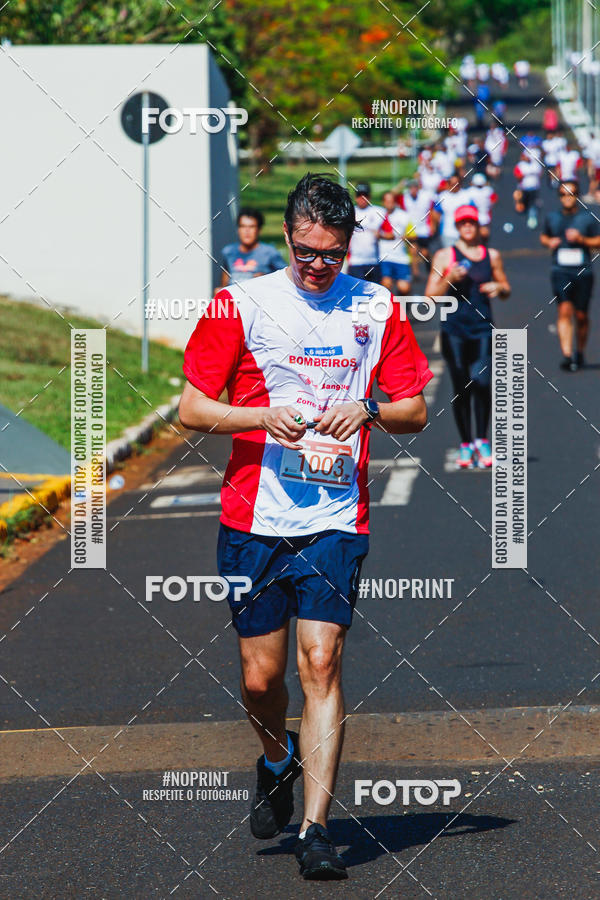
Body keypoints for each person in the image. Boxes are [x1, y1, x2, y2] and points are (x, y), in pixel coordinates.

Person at [179, 173, 433, 880]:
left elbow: (413, 406)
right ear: (287, 237)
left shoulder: (376, 306)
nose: (319, 265)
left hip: (334, 518)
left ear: (350, 242)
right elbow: (193, 409)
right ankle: (275, 757)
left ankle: (316, 831)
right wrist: (261, 417)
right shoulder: (241, 304)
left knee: (320, 663)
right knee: (262, 680)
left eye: (333, 252)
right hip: (251, 517)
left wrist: (371, 410)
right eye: (307, 251)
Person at [425, 205, 510, 468]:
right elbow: (429, 297)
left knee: (482, 382)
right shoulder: (444, 256)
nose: (468, 227)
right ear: (457, 227)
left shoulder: (491, 255)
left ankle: (481, 440)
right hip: (455, 330)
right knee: (461, 386)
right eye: (462, 223)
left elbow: (506, 288)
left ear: (478, 225)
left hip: (483, 328)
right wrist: (448, 277)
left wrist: (498, 287)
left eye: (471, 222)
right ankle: (465, 443)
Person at [540, 179, 600, 371]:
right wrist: (549, 242)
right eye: (563, 195)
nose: (567, 198)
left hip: (583, 270)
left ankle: (579, 351)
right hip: (560, 270)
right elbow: (544, 235)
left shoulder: (588, 218)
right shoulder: (552, 217)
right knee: (564, 310)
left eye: (571, 194)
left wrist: (582, 239)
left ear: (577, 196)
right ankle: (567, 354)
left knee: (581, 315)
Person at [221, 208, 287, 286]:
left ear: (259, 229)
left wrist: (266, 279)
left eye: (251, 227)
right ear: (238, 229)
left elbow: (286, 279)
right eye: (243, 226)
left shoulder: (270, 253)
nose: (247, 231)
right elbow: (225, 281)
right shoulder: (228, 251)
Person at [377, 190, 415, 295]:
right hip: (384, 257)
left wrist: (405, 237)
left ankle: (403, 306)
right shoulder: (378, 215)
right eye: (387, 201)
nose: (389, 204)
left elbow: (413, 236)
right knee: (386, 284)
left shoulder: (404, 216)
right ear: (383, 202)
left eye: (392, 201)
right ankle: (389, 308)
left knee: (404, 288)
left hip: (401, 258)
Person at [347, 182, 383, 283]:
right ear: (355, 197)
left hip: (374, 261)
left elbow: (392, 200)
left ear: (369, 197)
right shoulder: (350, 212)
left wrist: (381, 235)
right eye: (359, 196)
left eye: (365, 196)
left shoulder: (379, 212)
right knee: (357, 295)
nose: (362, 199)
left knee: (375, 295)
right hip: (355, 261)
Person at [400, 179, 436, 277]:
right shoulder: (405, 197)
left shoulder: (425, 197)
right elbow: (392, 195)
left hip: (423, 228)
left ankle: (430, 268)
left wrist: (432, 224)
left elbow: (431, 210)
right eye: (410, 188)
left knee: (425, 252)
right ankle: (415, 273)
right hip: (411, 228)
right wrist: (400, 185)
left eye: (414, 188)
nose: (413, 190)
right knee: (413, 251)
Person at [433, 173, 476, 248]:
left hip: (464, 233)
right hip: (447, 232)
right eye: (452, 184)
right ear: (448, 184)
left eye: (457, 184)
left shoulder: (467, 196)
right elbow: (435, 212)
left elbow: (474, 212)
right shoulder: (442, 196)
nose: (454, 186)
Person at [513, 149, 543, 229]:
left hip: (534, 188)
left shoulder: (536, 165)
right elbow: (517, 175)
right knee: (523, 205)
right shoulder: (521, 165)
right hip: (524, 188)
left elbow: (540, 174)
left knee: (533, 204)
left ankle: (532, 218)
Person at [470, 173, 498, 242]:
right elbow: (494, 200)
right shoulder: (489, 191)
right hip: (484, 216)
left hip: (474, 216)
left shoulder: (470, 191)